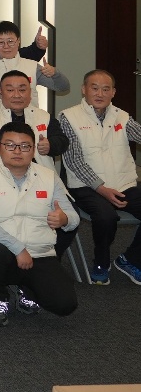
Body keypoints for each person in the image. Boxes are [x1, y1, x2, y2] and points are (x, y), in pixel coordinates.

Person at [0, 122, 79, 325]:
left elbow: (73, 217)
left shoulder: (48, 176)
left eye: (25, 146)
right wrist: (19, 248)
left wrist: (64, 219)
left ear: (33, 149)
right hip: (2, 252)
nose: (17, 151)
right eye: (10, 145)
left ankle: (27, 289)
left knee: (65, 305)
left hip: (40, 253)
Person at [59, 69, 141, 285]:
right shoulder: (69, 117)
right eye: (94, 88)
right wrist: (102, 189)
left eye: (106, 89)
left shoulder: (122, 116)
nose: (100, 93)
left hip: (122, 183)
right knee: (106, 217)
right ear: (84, 90)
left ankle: (130, 260)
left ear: (113, 92)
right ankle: (101, 263)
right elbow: (75, 162)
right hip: (85, 186)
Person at [0, 70, 67, 172]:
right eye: (10, 90)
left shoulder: (44, 116)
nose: (17, 95)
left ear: (30, 92)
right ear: (0, 92)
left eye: (22, 90)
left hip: (40, 177)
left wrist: (50, 145)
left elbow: (62, 142)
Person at [0, 21, 69, 110]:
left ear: (18, 41)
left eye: (10, 41)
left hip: (29, 120)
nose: (6, 46)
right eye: (1, 42)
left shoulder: (32, 66)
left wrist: (54, 73)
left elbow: (63, 87)